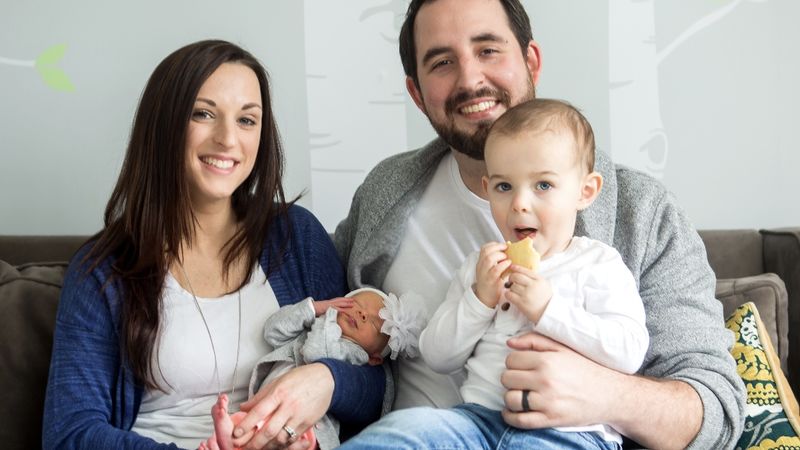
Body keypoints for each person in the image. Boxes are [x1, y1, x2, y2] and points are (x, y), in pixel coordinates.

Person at [333, 0, 746, 448]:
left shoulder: (641, 214)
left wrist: (606, 395)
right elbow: (315, 308)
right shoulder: (383, 193)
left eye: (488, 49)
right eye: (443, 62)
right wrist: (320, 377)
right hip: (450, 430)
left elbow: (717, 409)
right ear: (416, 93)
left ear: (531, 61)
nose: (471, 79)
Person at [42, 39, 384, 450]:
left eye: (247, 120)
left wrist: (327, 382)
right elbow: (70, 433)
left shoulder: (296, 237)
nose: (227, 139)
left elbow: (375, 387)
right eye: (204, 114)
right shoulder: (102, 269)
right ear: (164, 125)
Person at [418, 98, 648, 449]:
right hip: (475, 422)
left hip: (570, 432)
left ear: (585, 192)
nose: (520, 204)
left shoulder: (598, 264)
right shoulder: (482, 268)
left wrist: (548, 310)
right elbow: (437, 355)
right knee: (405, 430)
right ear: (487, 188)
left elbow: (629, 351)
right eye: (504, 187)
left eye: (543, 185)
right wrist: (479, 300)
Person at [202, 287, 426, 450]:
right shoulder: (310, 326)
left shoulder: (354, 355)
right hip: (265, 409)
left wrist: (328, 318)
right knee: (246, 425)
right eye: (356, 304)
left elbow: (315, 354)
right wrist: (313, 308)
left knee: (296, 436)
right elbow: (272, 330)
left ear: (375, 359)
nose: (362, 314)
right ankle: (227, 436)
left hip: (311, 426)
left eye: (375, 324)